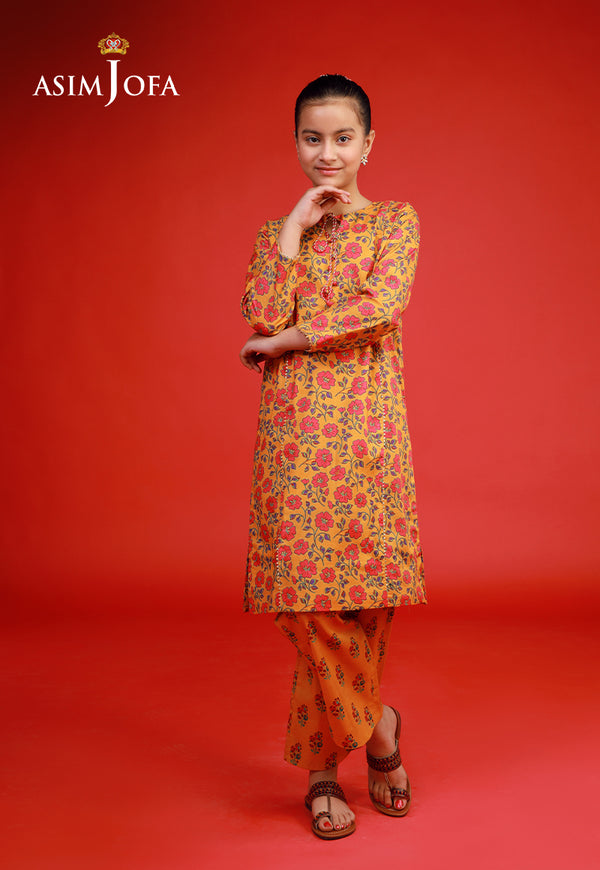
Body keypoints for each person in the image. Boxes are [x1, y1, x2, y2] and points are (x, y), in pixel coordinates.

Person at [239, 74, 426, 840]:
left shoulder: (395, 222)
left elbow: (380, 307)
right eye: (312, 138)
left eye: (342, 138)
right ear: (296, 143)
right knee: (306, 599)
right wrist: (291, 230)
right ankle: (379, 730)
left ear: (368, 144)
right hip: (293, 436)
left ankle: (322, 774)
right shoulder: (275, 235)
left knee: (363, 602)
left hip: (367, 436)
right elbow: (259, 313)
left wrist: (290, 340)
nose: (327, 152)